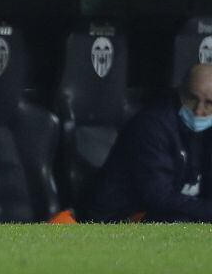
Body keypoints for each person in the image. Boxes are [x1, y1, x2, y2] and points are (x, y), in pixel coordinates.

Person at [79, 63, 212, 222]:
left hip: (156, 216)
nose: (198, 110)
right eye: (192, 98)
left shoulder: (205, 131)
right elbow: (159, 198)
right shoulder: (153, 126)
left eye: (209, 103)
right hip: (113, 222)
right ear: (180, 92)